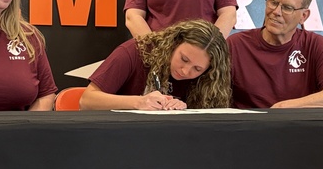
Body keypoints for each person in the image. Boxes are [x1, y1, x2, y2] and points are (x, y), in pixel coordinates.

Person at [228, 0, 323, 109]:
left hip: (296, 128)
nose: (276, 12)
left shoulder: (315, 45)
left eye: (287, 7)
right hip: (249, 128)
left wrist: (283, 108)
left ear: (304, 16)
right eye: (273, 2)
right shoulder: (235, 45)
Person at [80, 19, 232, 111]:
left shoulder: (209, 80)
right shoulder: (135, 51)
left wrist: (182, 110)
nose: (185, 71)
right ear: (175, 43)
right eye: (184, 59)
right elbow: (86, 101)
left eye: (197, 69)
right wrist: (139, 102)